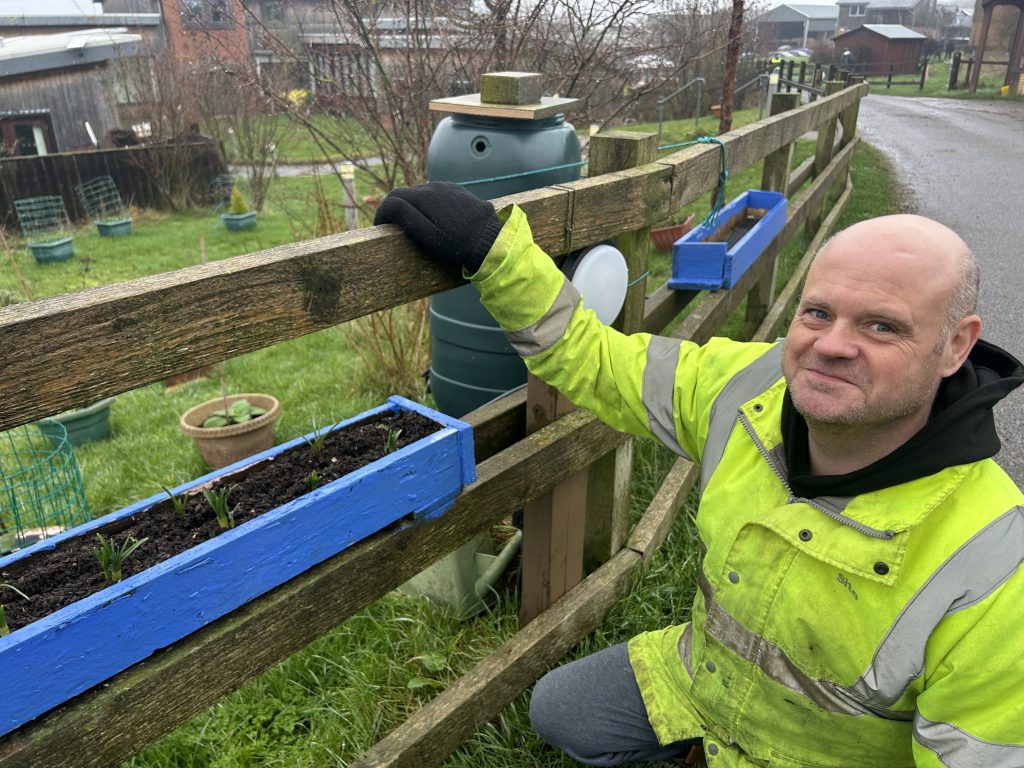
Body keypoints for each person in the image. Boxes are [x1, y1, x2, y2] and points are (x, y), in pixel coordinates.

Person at [375, 182, 1024, 767]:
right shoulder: (746, 389)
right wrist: (495, 255)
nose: (831, 345)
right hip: (707, 685)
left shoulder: (992, 564)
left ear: (956, 345)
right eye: (818, 313)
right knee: (561, 709)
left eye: (881, 326)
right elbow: (598, 361)